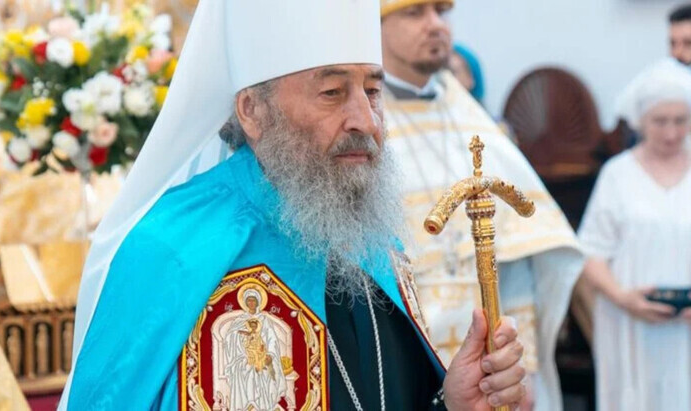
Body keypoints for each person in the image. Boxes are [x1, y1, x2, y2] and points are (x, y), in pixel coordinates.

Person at [60, 0, 527, 409]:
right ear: (252, 111)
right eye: (332, 93)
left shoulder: (367, 236)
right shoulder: (171, 251)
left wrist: (454, 403)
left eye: (372, 91)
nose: (366, 121)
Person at [379, 1, 584, 410]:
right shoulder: (365, 121)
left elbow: (522, 251)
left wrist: (521, 361)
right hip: (411, 353)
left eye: (441, 11)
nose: (436, 25)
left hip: (493, 361)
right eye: (415, 13)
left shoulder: (467, 115)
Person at [578, 58, 691, 411]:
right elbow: (590, 252)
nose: (671, 132)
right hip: (630, 325)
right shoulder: (617, 174)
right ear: (641, 121)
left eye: (681, 120)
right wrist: (623, 296)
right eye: (660, 121)